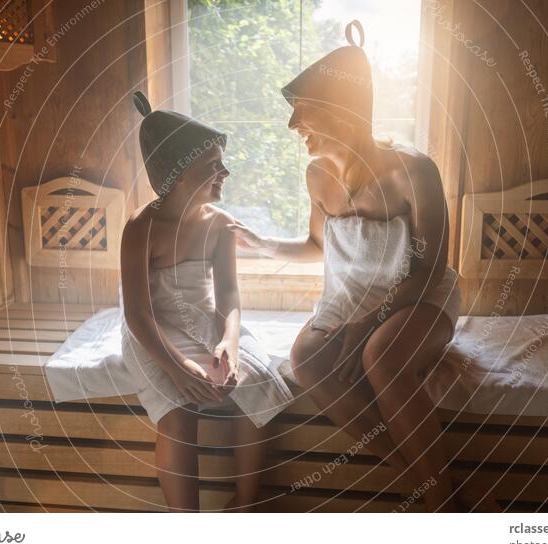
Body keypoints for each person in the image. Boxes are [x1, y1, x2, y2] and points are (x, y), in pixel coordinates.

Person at [227, 21, 501, 512]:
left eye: (302, 110)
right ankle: (428, 480)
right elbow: (318, 245)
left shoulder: (413, 171)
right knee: (307, 361)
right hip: (352, 297)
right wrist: (261, 244)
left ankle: (437, 503)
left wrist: (366, 326)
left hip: (419, 295)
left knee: (380, 357)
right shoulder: (316, 176)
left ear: (341, 111)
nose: (293, 125)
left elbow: (432, 265)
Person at [120, 91, 294, 512]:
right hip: (154, 330)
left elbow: (230, 294)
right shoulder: (141, 228)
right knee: (180, 414)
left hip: (206, 319)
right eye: (213, 165)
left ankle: (245, 506)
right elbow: (137, 313)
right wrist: (175, 365)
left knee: (256, 383)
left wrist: (229, 342)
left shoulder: (219, 224)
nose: (225, 172)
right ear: (179, 172)